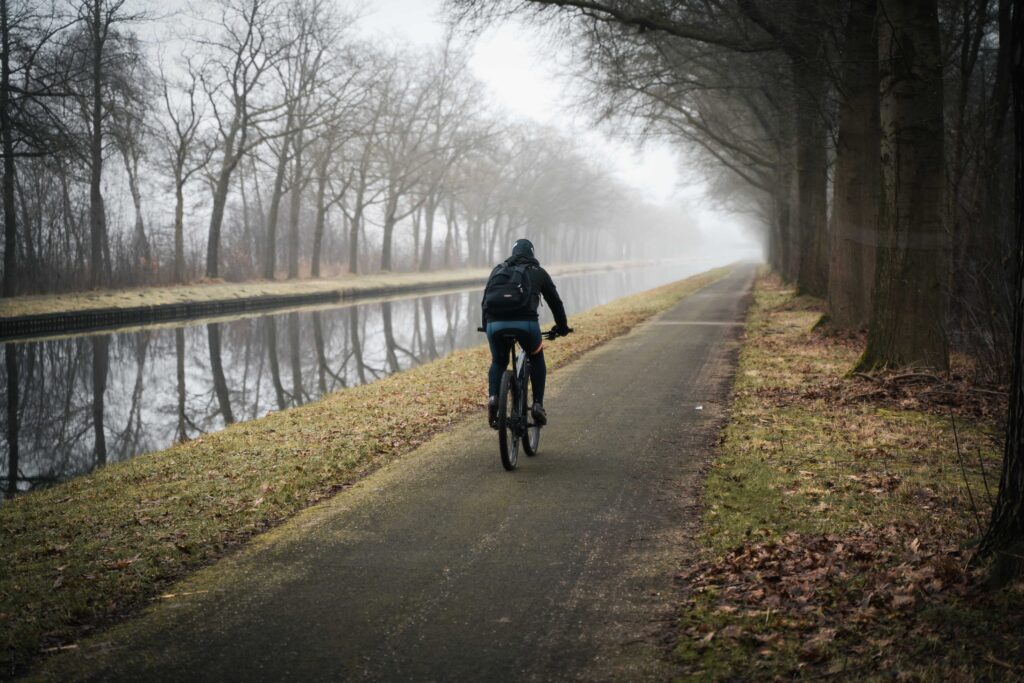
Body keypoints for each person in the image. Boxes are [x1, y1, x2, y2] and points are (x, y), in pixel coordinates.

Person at [481, 238, 570, 428]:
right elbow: (556, 303)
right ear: (532, 253)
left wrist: (486, 325)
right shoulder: (538, 272)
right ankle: (537, 405)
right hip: (526, 325)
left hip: (494, 325)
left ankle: (493, 398)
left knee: (498, 361)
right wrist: (562, 327)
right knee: (536, 357)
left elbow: (485, 302)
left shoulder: (498, 270)